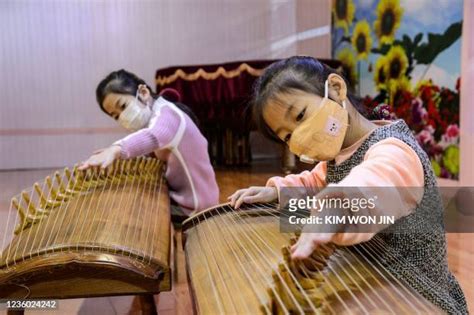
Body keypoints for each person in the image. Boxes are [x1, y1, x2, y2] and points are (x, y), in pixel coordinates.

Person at [228, 56, 467, 314]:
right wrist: (276, 191)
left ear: (336, 89)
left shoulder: (395, 152)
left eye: (299, 115)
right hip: (372, 287)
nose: (297, 137)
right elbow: (314, 181)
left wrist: (335, 208)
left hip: (418, 299)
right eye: (287, 136)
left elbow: (372, 185)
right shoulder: (338, 156)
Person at [79, 69, 219, 218]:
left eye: (123, 106)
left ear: (143, 92)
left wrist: (115, 149)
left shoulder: (167, 114)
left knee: (130, 214)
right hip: (183, 201)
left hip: (197, 208)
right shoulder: (153, 118)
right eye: (116, 116)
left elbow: (154, 136)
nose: (122, 117)